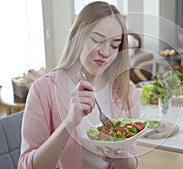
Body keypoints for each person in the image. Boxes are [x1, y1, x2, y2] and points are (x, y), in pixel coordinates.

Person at [18, 1, 141, 169]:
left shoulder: (127, 90)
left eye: (114, 45)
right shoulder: (43, 89)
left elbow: (131, 163)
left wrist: (119, 156)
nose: (105, 52)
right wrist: (70, 122)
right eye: (97, 40)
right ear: (77, 35)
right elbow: (28, 166)